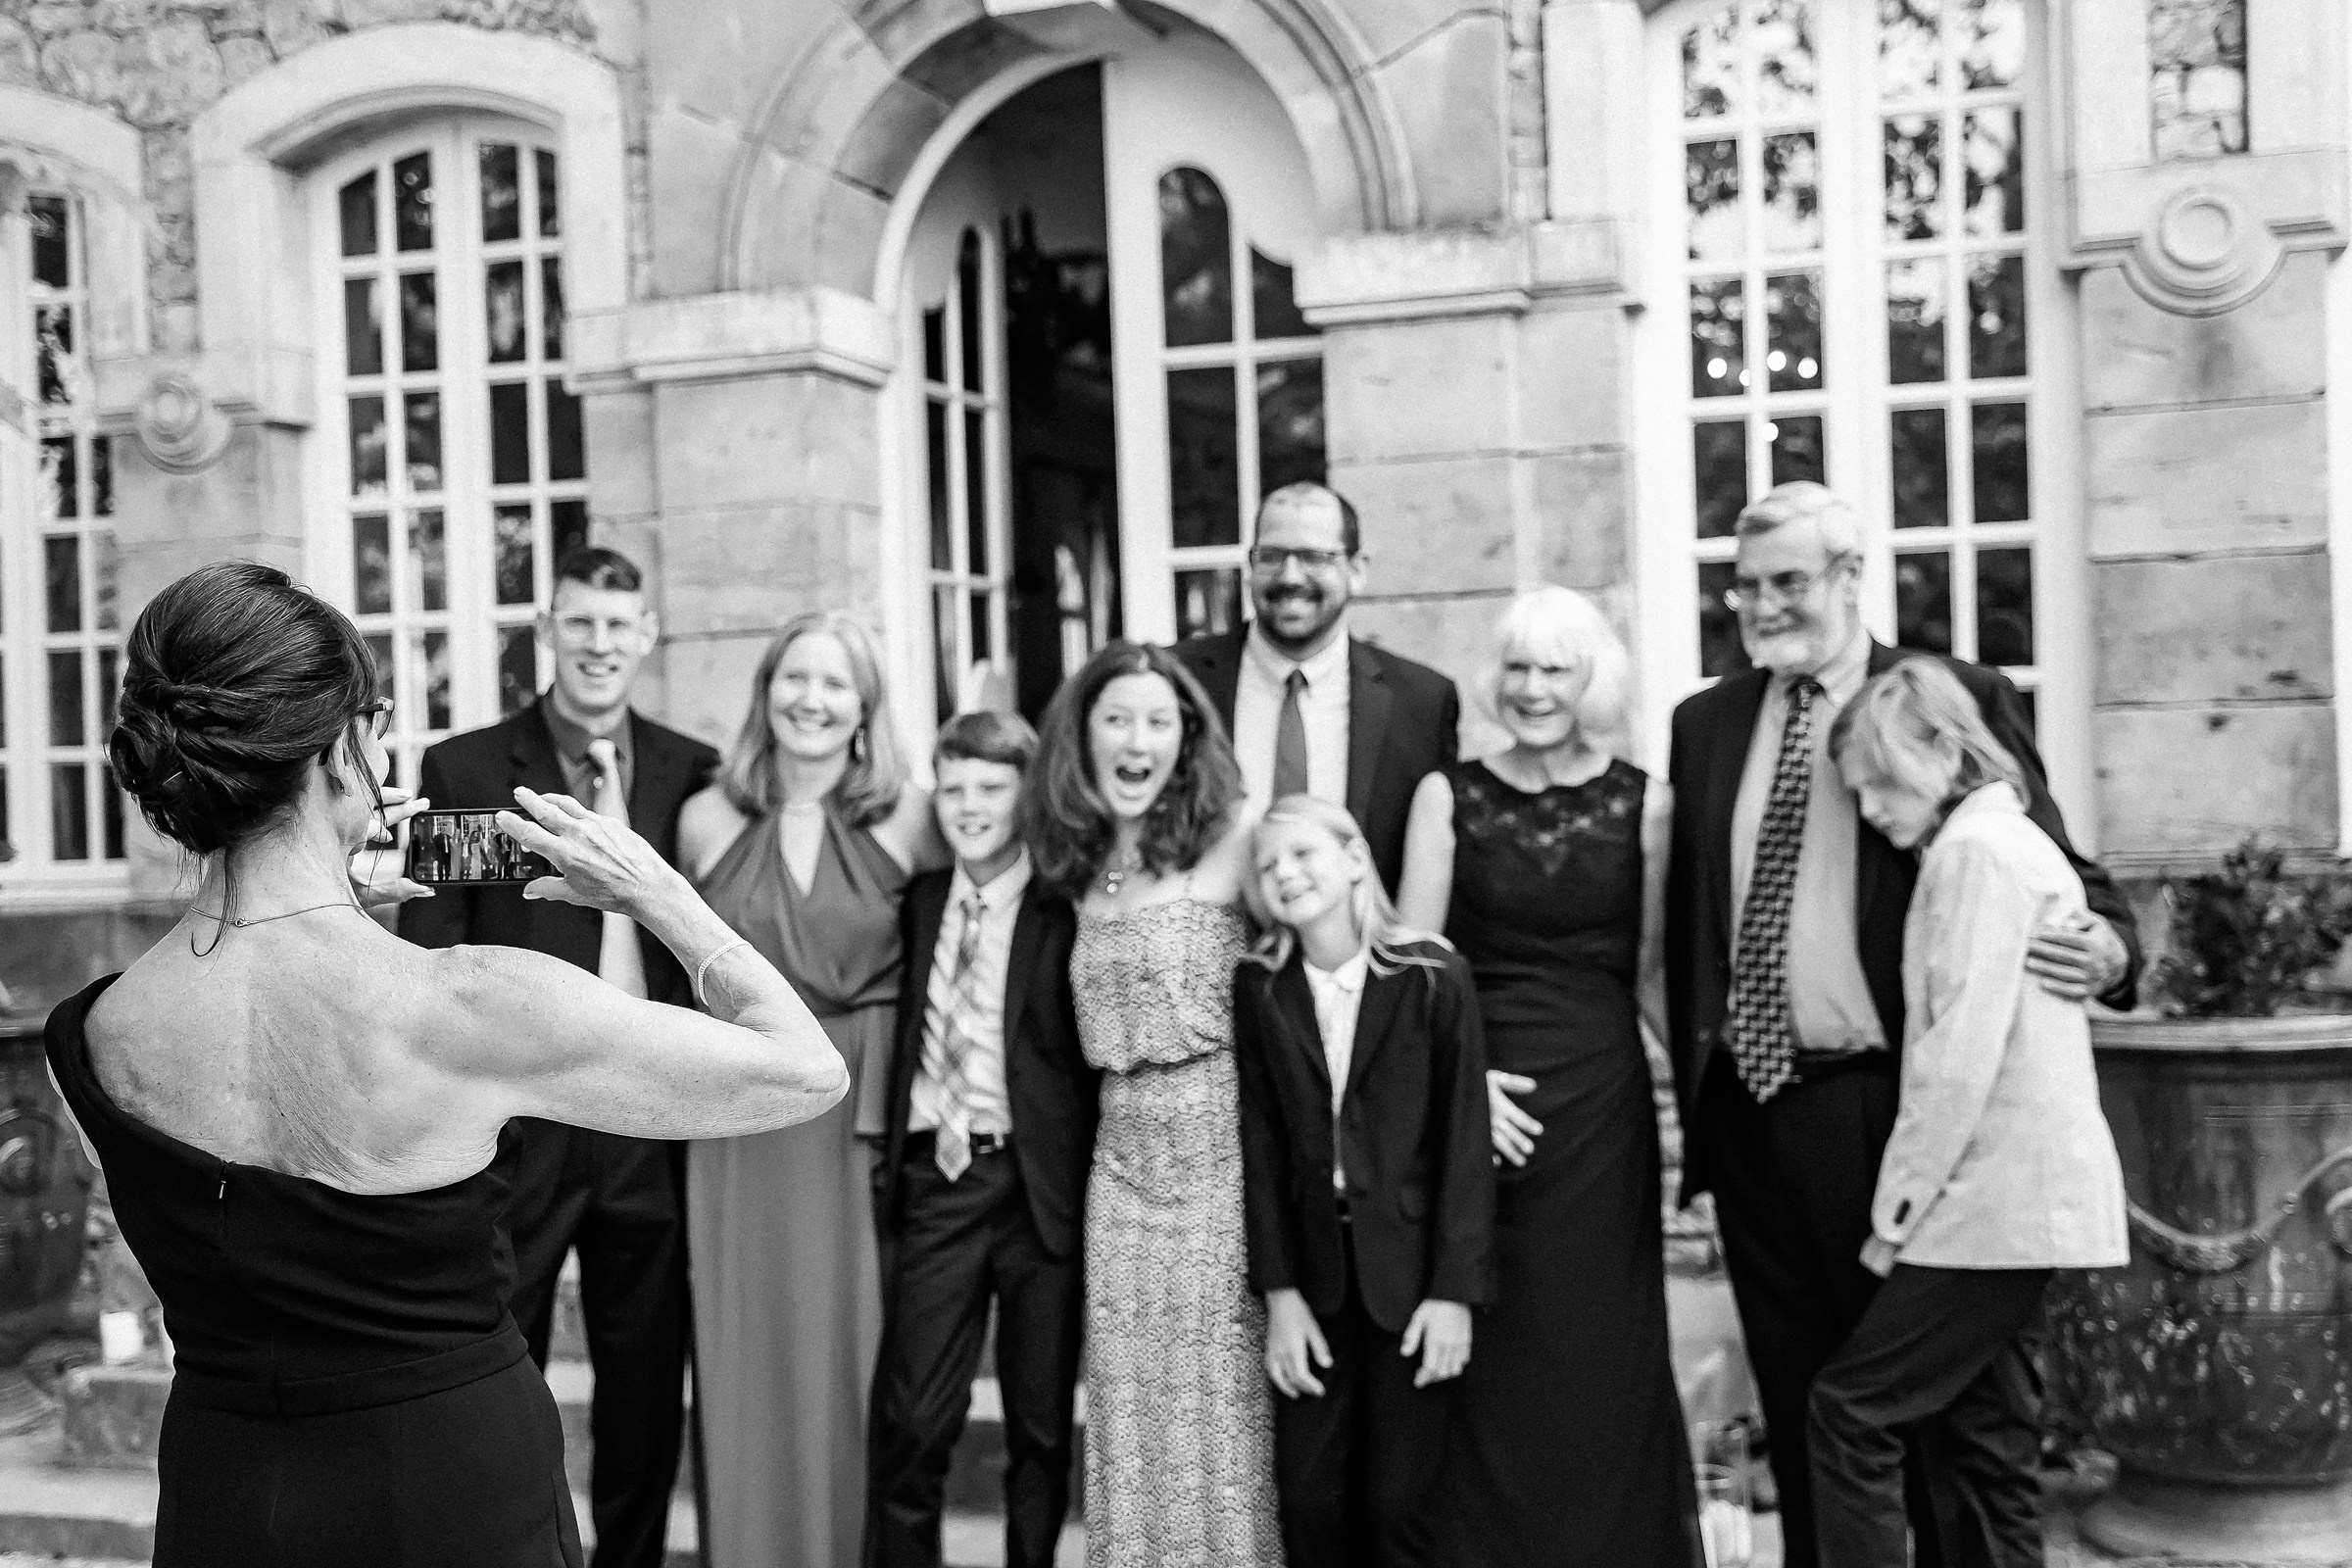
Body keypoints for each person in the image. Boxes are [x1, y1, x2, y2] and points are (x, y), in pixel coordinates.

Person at [48, 560, 847, 1568]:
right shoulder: (468, 1001)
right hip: (451, 1492)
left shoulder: (90, 1033)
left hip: (226, 1488)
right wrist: (659, 895)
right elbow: (806, 1066)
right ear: (343, 750)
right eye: (375, 723)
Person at [1661, 481, 2142, 1568]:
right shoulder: (1706, 722)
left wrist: (2111, 948)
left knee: (1922, 1415)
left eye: (1788, 579)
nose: (1763, 605)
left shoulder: (1938, 697)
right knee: (1804, 1414)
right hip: (1751, 1116)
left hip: (1894, 1114)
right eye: (1744, 586)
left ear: (1847, 576)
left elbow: (2063, 870)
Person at [398, 545, 714, 1568]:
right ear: (549, 628)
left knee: (644, 1384)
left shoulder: (688, 772)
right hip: (520, 1123)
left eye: (620, 625)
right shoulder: (473, 770)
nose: (600, 644)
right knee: (500, 1368)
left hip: (650, 1120)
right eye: (581, 623)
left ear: (648, 636)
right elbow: (437, 955)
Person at [1396, 585, 1702, 1566]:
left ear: (1592, 680)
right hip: (1479, 1097)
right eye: (1518, 667)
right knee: (1493, 1344)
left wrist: (1712, 1115)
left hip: (1601, 1115)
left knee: (1597, 1346)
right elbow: (1410, 969)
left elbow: (1652, 972)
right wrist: (1461, 1087)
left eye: (1555, 669)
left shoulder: (1645, 801)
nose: (1533, 689)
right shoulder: (1448, 794)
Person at [1809, 662, 2128, 1568]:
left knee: (1848, 1414)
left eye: (1877, 782)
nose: (1867, 809)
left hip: (1992, 1205)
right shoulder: (1992, 843)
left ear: (1944, 750)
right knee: (1989, 1445)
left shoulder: (1976, 854)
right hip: (2011, 1205)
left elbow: (1958, 1058)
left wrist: (1894, 1215)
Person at [677, 612, 945, 1568]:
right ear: (766, 691)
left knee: (852, 1348)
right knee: (746, 1346)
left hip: (856, 1107)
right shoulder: (708, 817)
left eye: (836, 684)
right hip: (740, 1110)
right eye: (796, 678)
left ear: (866, 706)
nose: (813, 700)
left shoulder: (911, 817)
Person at [1020, 639, 1283, 1568]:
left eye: (1158, 721)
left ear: (1186, 737)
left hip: (1220, 1161)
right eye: (1117, 719)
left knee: (1219, 1407)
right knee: (1131, 1412)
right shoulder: (1078, 862)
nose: (1138, 739)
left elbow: (1326, 962)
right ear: (1082, 738)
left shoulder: (1237, 837)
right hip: (1119, 1171)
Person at [1233, 796, 1494, 1568]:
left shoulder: (1433, 975)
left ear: (1353, 860)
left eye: (1303, 854)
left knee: (1400, 1502)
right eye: (1268, 864)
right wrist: (1278, 1297)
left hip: (1412, 1276)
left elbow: (1464, 1142)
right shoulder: (1260, 986)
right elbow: (1262, 1145)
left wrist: (1453, 1294)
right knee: (1309, 1501)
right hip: (1312, 1275)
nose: (1284, 874)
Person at [867, 710, 1098, 1568]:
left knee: (1040, 1430)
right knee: (913, 1419)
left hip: (1037, 1191)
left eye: (991, 789)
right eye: (953, 788)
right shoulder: (922, 902)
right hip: (939, 1180)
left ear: (1026, 793)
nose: (969, 807)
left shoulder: (1062, 907)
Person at [1171, 481, 1459, 896]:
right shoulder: (1180, 682)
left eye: (1313, 557)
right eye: (1270, 556)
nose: (1290, 576)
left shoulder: (1423, 703)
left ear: (1357, 571)